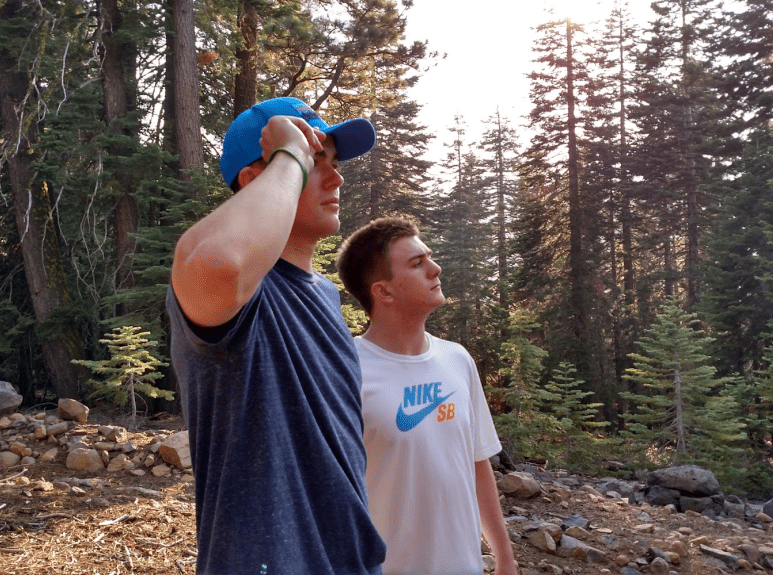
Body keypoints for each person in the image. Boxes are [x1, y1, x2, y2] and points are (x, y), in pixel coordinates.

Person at [166, 97, 386, 574]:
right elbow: (218, 264)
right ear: (254, 180)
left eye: (334, 161)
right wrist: (291, 153)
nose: (336, 178)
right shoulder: (241, 292)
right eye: (315, 160)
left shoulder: (326, 295)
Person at [336, 217, 517, 575]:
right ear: (383, 292)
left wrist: (504, 556)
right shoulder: (345, 370)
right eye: (417, 264)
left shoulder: (457, 359)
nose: (435, 269)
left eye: (429, 257)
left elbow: (477, 464)